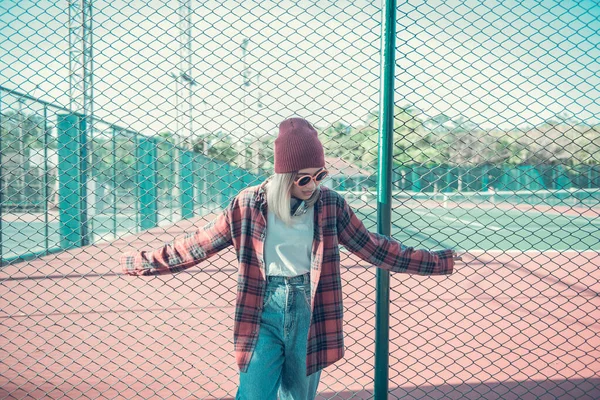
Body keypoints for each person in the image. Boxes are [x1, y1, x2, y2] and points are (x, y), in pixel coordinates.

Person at [121, 117, 462, 400]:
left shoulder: (330, 205)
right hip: (262, 308)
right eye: (304, 177)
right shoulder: (248, 205)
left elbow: (373, 247)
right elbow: (198, 244)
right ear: (284, 175)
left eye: (320, 175)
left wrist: (435, 261)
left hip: (310, 308)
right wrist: (143, 262)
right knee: (254, 393)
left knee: (298, 397)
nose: (313, 185)